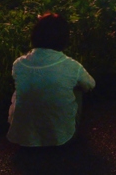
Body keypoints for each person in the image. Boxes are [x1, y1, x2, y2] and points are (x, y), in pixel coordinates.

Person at [7, 12, 96, 147]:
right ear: (64, 39)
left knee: (22, 88)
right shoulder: (71, 66)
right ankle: (67, 126)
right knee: (78, 87)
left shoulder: (18, 64)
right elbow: (91, 85)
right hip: (62, 138)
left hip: (22, 137)